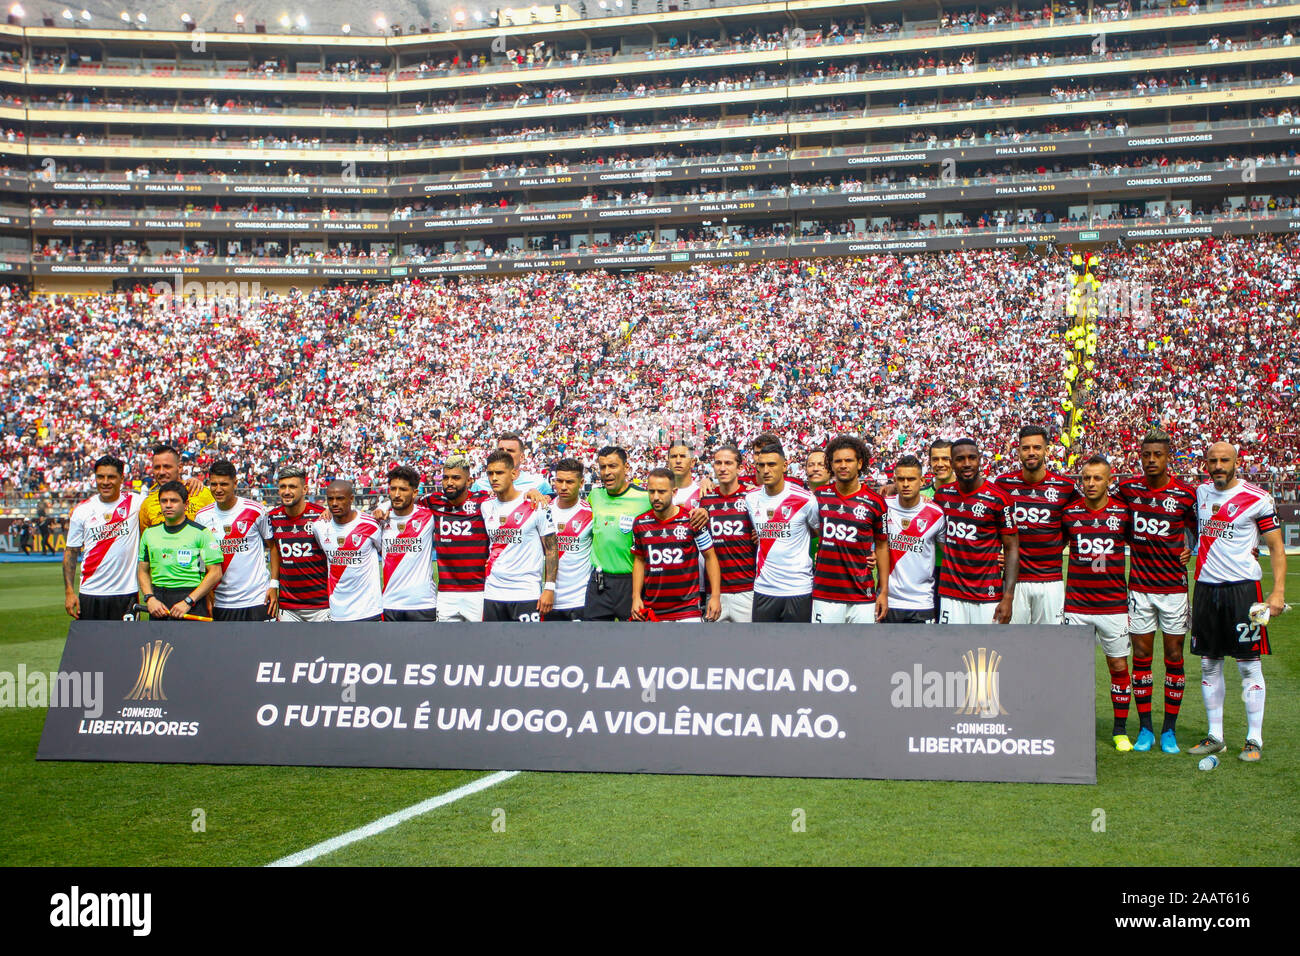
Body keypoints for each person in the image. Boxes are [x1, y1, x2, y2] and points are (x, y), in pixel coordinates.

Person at [1187, 442, 1288, 763]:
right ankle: (1216, 736)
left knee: (1248, 665)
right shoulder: (1201, 494)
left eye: (1224, 460)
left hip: (1244, 592)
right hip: (1205, 589)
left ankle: (1253, 739)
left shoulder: (1257, 499)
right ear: (1206, 464)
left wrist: (1277, 592)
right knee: (1208, 663)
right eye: (1213, 461)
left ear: (1236, 462)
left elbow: (1275, 547)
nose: (1218, 466)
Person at [1114, 429, 1197, 753]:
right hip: (1139, 588)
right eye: (1146, 455)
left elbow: (1199, 529)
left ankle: (1169, 731)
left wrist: (1190, 547)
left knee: (1174, 657)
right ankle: (1146, 729)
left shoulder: (1185, 495)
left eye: (1157, 455)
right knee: (1142, 658)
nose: (1151, 460)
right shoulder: (1127, 490)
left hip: (1174, 589)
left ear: (1168, 457)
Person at [1062, 455, 1136, 751]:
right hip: (1076, 606)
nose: (1090, 484)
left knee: (1118, 666)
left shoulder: (1123, 513)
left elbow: (1145, 545)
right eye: (1085, 478)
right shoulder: (1068, 514)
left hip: (1114, 606)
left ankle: (1119, 730)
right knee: (1072, 670)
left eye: (1096, 478)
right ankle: (1074, 727)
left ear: (1109, 481)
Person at [994, 425, 1079, 624]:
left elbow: (1080, 519)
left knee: (1049, 647)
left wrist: (1060, 543)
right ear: (1019, 452)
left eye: (1037, 447)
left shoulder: (1065, 487)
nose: (1031, 452)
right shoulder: (1003, 484)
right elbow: (989, 525)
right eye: (1026, 448)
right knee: (1012, 646)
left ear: (1047, 450)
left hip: (1050, 580)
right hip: (1014, 583)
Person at [933, 438, 1019, 624]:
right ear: (951, 462)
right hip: (950, 593)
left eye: (972, 458)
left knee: (987, 652)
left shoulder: (999, 498)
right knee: (950, 651)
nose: (966, 463)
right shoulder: (941, 496)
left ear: (980, 459)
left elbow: (1011, 548)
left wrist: (1008, 596)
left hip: (987, 595)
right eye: (960, 459)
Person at [811, 435, 889, 624]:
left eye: (849, 460)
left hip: (862, 596)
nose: (843, 465)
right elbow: (808, 530)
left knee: (861, 653)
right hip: (825, 594)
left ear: (860, 463)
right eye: (838, 461)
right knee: (824, 651)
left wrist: (884, 591)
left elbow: (882, 545)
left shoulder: (876, 502)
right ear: (831, 464)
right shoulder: (819, 497)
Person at [631, 467, 721, 622]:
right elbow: (639, 561)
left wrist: (715, 596)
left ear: (674, 492)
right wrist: (636, 597)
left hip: (688, 610)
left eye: (661, 492)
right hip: (654, 609)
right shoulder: (640, 523)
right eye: (651, 492)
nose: (656, 497)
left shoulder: (693, 519)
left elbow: (710, 556)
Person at [480, 449, 559, 623]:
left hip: (526, 592)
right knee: (494, 648)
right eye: (490, 473)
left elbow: (552, 547)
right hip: (493, 592)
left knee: (528, 649)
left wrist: (549, 588)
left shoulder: (536, 505)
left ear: (514, 473)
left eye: (499, 473)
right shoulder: (486, 506)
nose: (494, 478)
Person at [746, 440, 820, 623]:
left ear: (784, 466)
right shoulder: (751, 498)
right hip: (764, 588)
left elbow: (819, 532)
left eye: (771, 464)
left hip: (798, 589)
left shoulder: (805, 499)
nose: (766, 470)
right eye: (761, 465)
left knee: (797, 649)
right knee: (764, 647)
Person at [63, 454, 143, 621]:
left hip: (125, 593)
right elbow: (71, 552)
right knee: (92, 647)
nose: (105, 482)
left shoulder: (136, 503)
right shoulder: (82, 510)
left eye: (111, 477)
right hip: (90, 592)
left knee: (128, 646)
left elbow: (167, 497)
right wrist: (69, 592)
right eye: (100, 477)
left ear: (122, 478)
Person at [197, 459, 273, 622]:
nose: (218, 489)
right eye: (214, 484)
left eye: (224, 484)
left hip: (257, 599)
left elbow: (273, 547)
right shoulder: (202, 517)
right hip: (221, 601)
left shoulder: (256, 510)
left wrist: (274, 585)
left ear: (235, 483)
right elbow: (202, 560)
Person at [137, 480, 223, 621]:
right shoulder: (149, 533)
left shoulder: (201, 533)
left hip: (191, 600)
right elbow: (142, 570)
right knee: (161, 644)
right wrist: (149, 598)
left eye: (174, 500)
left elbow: (215, 572)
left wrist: (188, 601)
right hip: (159, 602)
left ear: (186, 504)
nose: (168, 505)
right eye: (164, 501)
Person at [584, 445, 650, 621]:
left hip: (631, 582)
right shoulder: (594, 496)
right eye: (603, 467)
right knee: (593, 640)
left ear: (626, 468)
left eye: (613, 466)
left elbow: (674, 508)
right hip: (600, 582)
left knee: (632, 642)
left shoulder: (645, 499)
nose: (606, 472)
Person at [427, 455, 491, 623]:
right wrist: (384, 506)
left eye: (456, 478)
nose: (449, 482)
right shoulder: (434, 501)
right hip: (446, 593)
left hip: (478, 591)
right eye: (446, 477)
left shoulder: (483, 501)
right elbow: (406, 500)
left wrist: (533, 493)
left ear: (469, 480)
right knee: (447, 645)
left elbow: (509, 500)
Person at [311, 479, 384, 623]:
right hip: (338, 612)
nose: (334, 503)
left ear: (351, 499)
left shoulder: (370, 525)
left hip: (369, 611)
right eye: (330, 499)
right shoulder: (319, 527)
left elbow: (384, 552)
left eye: (340, 498)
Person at [884, 454, 946, 623]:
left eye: (911, 479)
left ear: (922, 481)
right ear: (894, 480)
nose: (905, 484)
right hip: (889, 601)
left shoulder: (936, 514)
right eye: (901, 479)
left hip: (922, 602)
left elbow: (949, 553)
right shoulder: (884, 506)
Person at [267, 465, 330, 622]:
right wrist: (274, 584)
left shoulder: (320, 516)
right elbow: (274, 549)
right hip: (288, 606)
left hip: (321, 605)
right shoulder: (272, 517)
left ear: (305, 489)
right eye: (283, 487)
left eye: (292, 487)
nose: (287, 491)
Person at [700, 444, 756, 622]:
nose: (722, 468)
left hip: (747, 590)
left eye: (728, 463)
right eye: (718, 463)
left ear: (740, 468)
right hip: (716, 593)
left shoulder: (752, 498)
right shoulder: (705, 499)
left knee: (751, 646)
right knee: (713, 647)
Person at [380, 465, 438, 622]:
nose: (397, 494)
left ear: (414, 492)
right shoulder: (379, 520)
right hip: (390, 603)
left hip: (423, 604)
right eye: (393, 489)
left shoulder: (428, 517)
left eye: (403, 490)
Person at [548, 458, 593, 622]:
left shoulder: (590, 513)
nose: (564, 487)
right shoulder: (544, 510)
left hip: (579, 600)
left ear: (581, 483)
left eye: (570, 482)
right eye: (559, 481)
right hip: (548, 598)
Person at [139, 445, 214, 529]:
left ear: (180, 467)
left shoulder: (200, 493)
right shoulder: (148, 504)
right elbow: (146, 538)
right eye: (157, 467)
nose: (161, 472)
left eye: (167, 466)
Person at [471, 432, 554, 497]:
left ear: (522, 457)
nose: (504, 454)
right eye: (501, 450)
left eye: (510, 451)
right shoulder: (480, 485)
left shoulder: (539, 484)